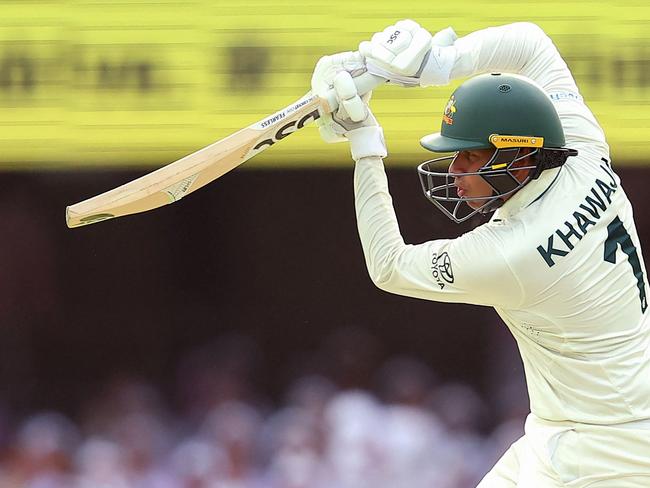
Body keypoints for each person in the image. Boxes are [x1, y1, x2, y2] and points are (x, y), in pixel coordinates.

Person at [310, 20, 650, 487]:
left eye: (470, 157)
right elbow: (532, 43)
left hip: (607, 457)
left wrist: (364, 142)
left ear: (521, 155)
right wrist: (436, 63)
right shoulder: (582, 150)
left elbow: (388, 266)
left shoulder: (515, 253)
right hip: (566, 430)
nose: (454, 171)